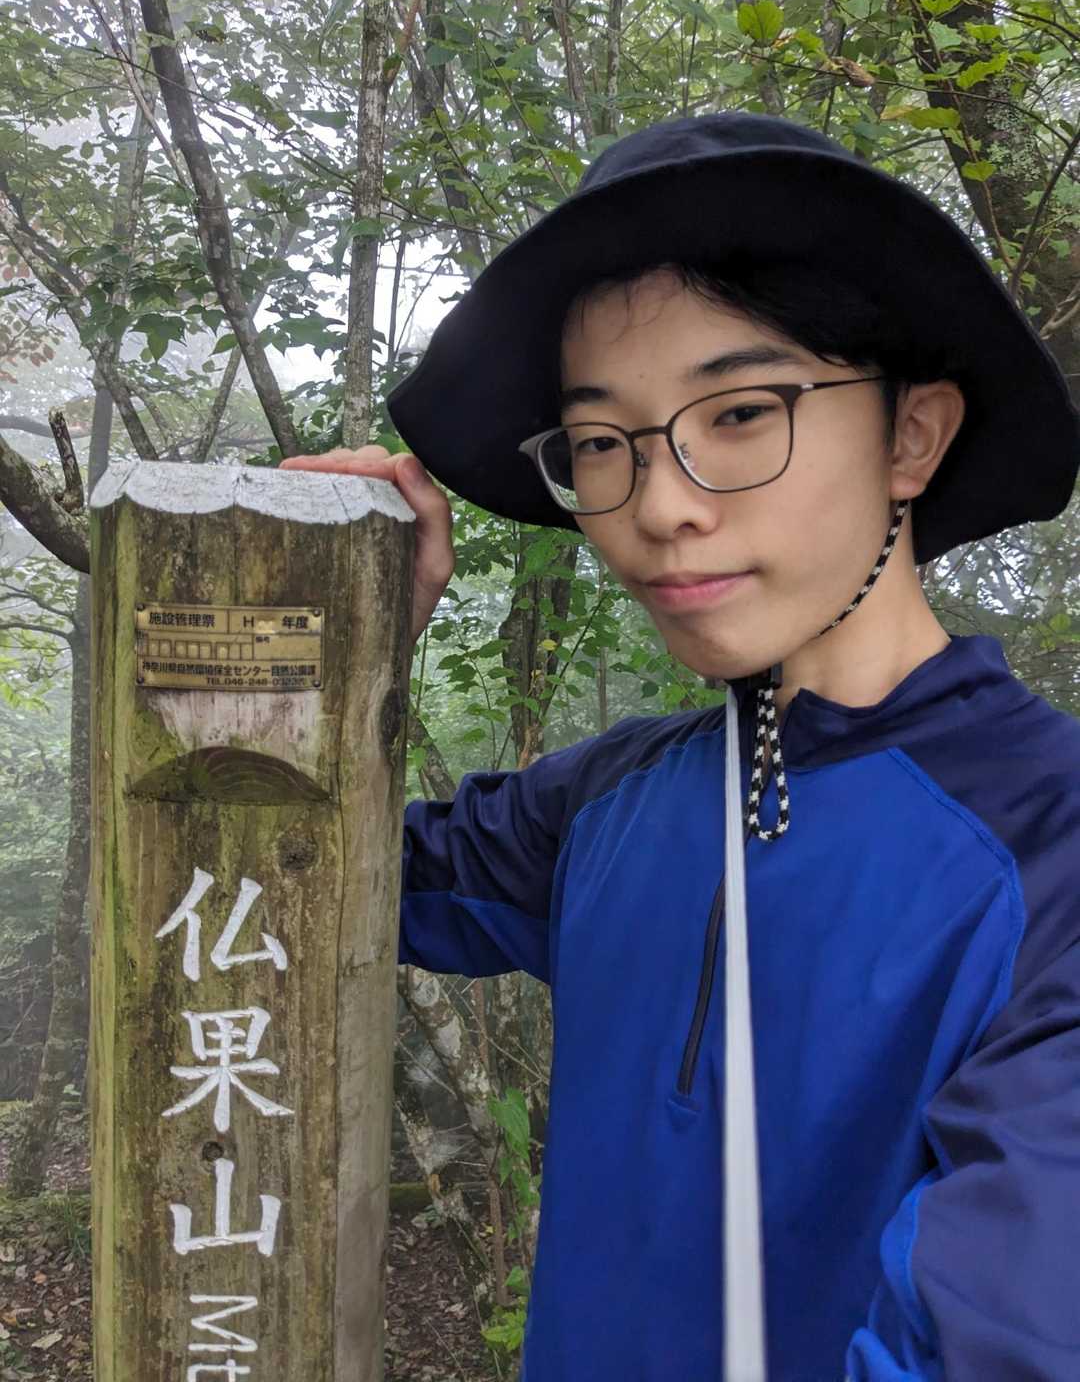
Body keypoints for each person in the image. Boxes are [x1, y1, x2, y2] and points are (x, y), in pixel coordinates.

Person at [280, 113, 1080, 1381]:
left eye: (743, 412)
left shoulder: (1049, 848)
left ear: (912, 436)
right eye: (603, 443)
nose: (658, 505)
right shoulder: (612, 797)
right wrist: (332, 653)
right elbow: (302, 877)